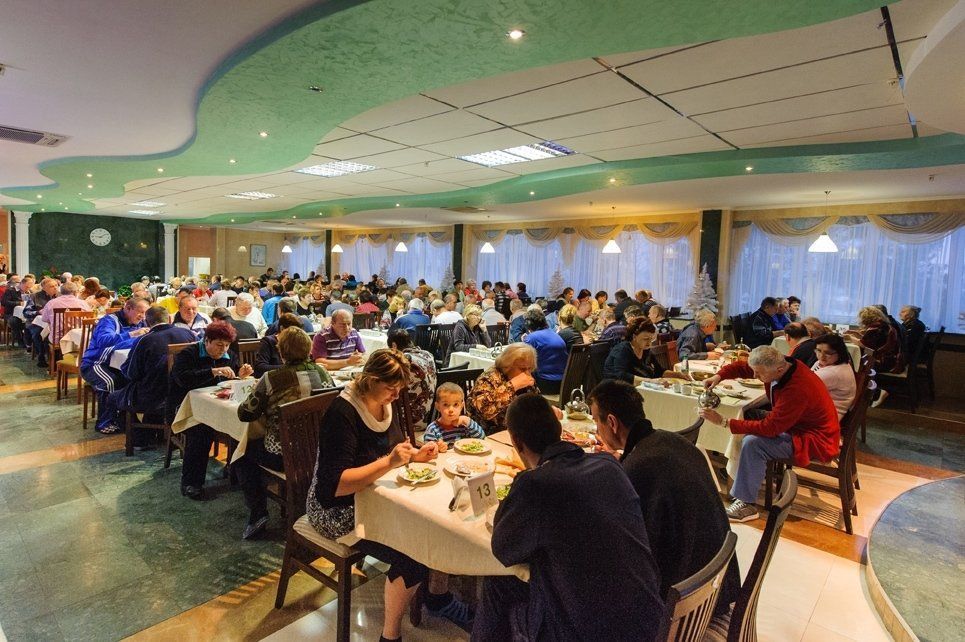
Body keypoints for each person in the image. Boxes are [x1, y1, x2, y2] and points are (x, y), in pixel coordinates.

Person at [306, 350, 473, 636]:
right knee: (413, 553)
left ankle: (438, 598)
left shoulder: (384, 403)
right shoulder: (342, 413)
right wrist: (390, 462)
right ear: (370, 380)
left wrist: (415, 455)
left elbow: (392, 449)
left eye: (399, 389)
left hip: (374, 498)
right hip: (335, 510)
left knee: (437, 523)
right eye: (391, 388)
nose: (396, 395)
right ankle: (390, 634)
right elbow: (336, 485)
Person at [473, 394, 665, 642]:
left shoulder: (536, 484)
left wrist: (520, 484)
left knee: (498, 581)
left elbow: (503, 550)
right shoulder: (609, 465)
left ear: (516, 442)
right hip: (649, 620)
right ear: (560, 430)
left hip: (587, 633)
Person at [588, 379, 740, 614]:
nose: (597, 430)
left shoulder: (640, 468)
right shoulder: (672, 442)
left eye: (596, 422)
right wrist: (626, 461)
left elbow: (630, 549)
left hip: (686, 604)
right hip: (717, 581)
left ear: (612, 422)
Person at [699, 346, 840, 522]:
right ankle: (741, 470)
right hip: (796, 425)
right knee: (750, 415)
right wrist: (719, 376)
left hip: (813, 439)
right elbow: (744, 367)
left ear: (779, 370)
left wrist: (724, 422)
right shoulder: (781, 365)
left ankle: (747, 504)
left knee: (753, 443)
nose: (755, 376)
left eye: (759, 374)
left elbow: (771, 428)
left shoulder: (797, 388)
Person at [235, 327, 333, 538]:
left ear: (282, 352)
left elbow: (246, 413)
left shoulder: (272, 378)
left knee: (242, 454)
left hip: (283, 456)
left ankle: (258, 514)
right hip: (319, 451)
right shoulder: (322, 372)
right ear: (308, 349)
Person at [169, 321, 254, 500]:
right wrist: (212, 371)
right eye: (219, 345)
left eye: (227, 345)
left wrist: (241, 375)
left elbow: (231, 379)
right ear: (207, 340)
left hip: (216, 405)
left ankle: (236, 471)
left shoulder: (228, 354)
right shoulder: (189, 354)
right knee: (201, 430)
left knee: (245, 421)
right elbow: (182, 379)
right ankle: (191, 483)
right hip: (186, 406)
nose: (224, 349)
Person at [110, 306, 197, 441]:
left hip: (152, 396)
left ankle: (139, 439)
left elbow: (131, 373)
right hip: (183, 394)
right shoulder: (188, 334)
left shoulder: (144, 340)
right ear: (169, 319)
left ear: (147, 322)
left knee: (113, 397)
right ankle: (161, 435)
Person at [80, 297, 151, 433]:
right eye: (140, 312)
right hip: (95, 363)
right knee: (110, 382)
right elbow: (104, 341)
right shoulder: (109, 321)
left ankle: (125, 420)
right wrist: (132, 334)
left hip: (119, 364)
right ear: (128, 308)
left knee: (134, 379)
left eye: (145, 313)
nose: (143, 317)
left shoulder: (141, 322)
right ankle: (104, 422)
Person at [468, 343, 539, 433]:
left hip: (521, 431)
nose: (527, 373)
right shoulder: (488, 378)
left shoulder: (527, 379)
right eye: (522, 369)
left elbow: (535, 403)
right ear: (508, 366)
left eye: (530, 369)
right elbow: (484, 411)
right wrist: (512, 386)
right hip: (488, 434)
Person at [385, 329, 436, 426]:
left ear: (394, 345)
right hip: (430, 416)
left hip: (410, 421)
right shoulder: (427, 354)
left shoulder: (404, 360)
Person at [36, 281, 92, 367]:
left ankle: (53, 364)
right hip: (78, 339)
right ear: (75, 292)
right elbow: (89, 318)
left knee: (44, 336)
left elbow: (44, 319)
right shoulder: (83, 303)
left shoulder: (51, 303)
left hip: (57, 337)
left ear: (61, 292)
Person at [522, 308, 567, 394]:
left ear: (529, 324)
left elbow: (522, 358)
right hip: (563, 383)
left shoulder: (532, 338)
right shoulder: (555, 334)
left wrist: (526, 340)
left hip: (546, 384)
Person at [603, 316, 661, 384]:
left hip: (641, 387)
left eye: (651, 339)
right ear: (634, 337)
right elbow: (621, 375)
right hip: (616, 387)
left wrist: (673, 375)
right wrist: (650, 381)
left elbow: (659, 371)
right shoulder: (622, 349)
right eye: (646, 339)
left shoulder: (646, 350)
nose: (649, 343)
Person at [811, 334, 857, 420]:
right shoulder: (835, 363)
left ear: (839, 352)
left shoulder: (832, 373)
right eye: (818, 350)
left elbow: (804, 388)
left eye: (828, 353)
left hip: (828, 416)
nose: (821, 356)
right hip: (825, 408)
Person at [851, 306, 901, 373]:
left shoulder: (875, 328)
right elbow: (874, 342)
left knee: (851, 361)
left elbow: (864, 345)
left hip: (880, 363)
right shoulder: (885, 326)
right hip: (890, 361)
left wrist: (849, 337)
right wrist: (858, 334)